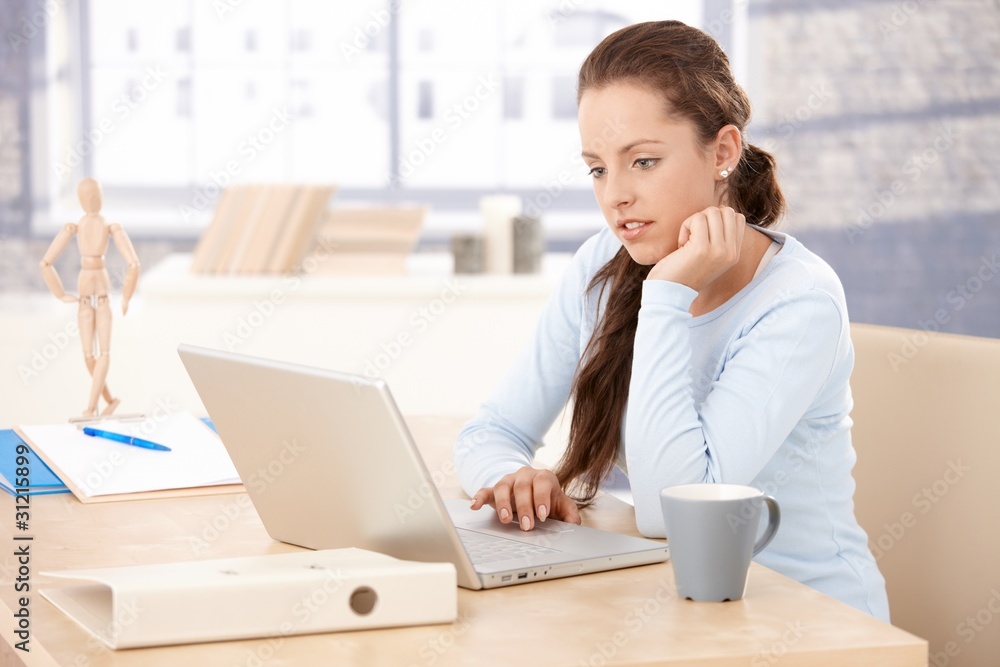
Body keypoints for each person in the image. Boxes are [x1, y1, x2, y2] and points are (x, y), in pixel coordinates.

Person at [453, 20, 889, 621]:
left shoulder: (798, 302)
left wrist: (664, 296)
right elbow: (491, 430)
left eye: (644, 161)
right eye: (597, 169)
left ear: (723, 152)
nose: (615, 196)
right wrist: (513, 479)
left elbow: (671, 511)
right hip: (688, 605)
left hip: (809, 619)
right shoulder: (600, 266)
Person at [39, 178, 140, 418]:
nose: (93, 200)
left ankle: (91, 407)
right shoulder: (77, 227)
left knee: (101, 353)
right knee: (91, 354)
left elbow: (45, 263)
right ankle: (109, 400)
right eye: (90, 196)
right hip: (87, 292)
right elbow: (45, 263)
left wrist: (126, 297)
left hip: (99, 292)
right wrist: (60, 294)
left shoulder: (109, 227)